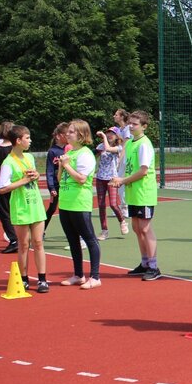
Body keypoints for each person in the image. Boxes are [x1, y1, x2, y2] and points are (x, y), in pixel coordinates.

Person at [0, 125, 48, 293]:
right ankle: (23, 278)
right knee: (24, 244)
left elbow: (34, 176)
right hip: (20, 206)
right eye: (27, 138)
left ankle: (42, 279)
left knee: (39, 242)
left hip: (35, 204)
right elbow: (2, 188)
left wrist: (36, 176)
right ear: (18, 141)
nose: (30, 140)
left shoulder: (30, 157)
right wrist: (24, 181)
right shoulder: (8, 162)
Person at [110, 110, 161, 281]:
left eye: (135, 124)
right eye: (130, 123)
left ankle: (154, 266)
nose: (131, 126)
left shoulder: (144, 144)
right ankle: (145, 263)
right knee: (137, 228)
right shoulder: (131, 142)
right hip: (133, 192)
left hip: (143, 192)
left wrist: (123, 180)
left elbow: (143, 170)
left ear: (144, 127)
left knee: (145, 228)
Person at [57, 120, 102, 290]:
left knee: (89, 238)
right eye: (68, 131)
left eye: (71, 132)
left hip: (79, 203)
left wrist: (66, 165)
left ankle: (95, 276)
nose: (67, 134)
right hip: (66, 202)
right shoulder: (70, 153)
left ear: (81, 135)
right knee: (72, 239)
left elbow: (82, 178)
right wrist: (63, 165)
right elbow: (60, 178)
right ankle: (78, 274)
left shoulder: (85, 154)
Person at [0, 121, 19, 253]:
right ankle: (21, 237)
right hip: (17, 183)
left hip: (3, 183)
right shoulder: (15, 149)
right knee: (17, 210)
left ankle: (13, 239)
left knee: (5, 212)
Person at [94, 129, 127, 240]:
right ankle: (104, 231)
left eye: (112, 133)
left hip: (112, 178)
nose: (109, 135)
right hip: (100, 178)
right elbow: (93, 156)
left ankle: (122, 221)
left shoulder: (118, 147)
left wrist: (103, 136)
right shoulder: (100, 146)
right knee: (101, 205)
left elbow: (108, 148)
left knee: (113, 204)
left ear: (116, 136)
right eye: (107, 133)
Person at [44, 123, 68, 235]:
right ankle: (41, 230)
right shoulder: (52, 152)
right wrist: (51, 187)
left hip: (67, 184)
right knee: (52, 209)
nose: (68, 136)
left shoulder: (70, 149)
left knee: (68, 210)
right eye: (65, 134)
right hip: (56, 185)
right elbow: (49, 171)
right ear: (58, 136)